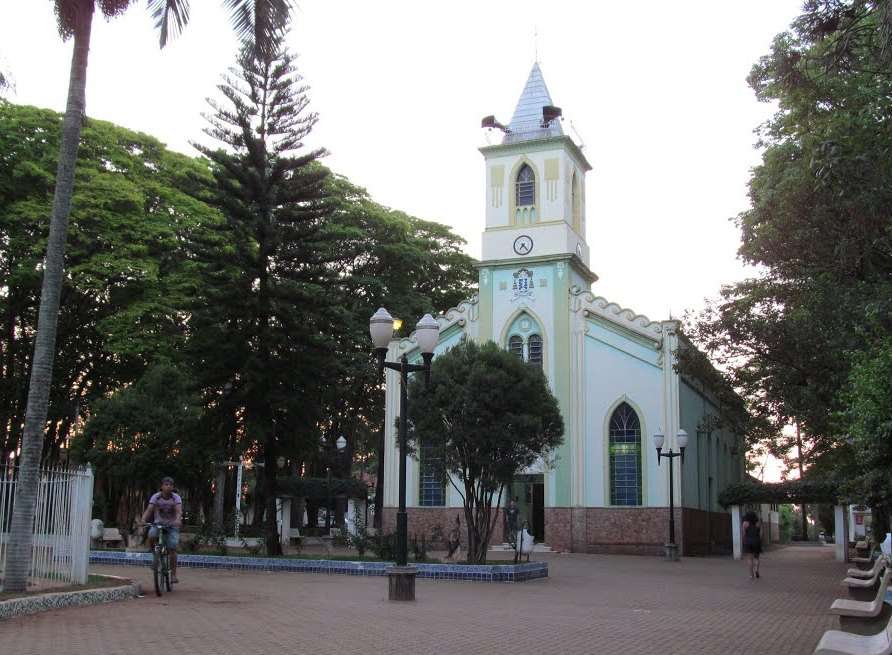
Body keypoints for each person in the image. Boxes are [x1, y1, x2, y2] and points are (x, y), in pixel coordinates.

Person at [140, 476, 183, 583]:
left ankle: (173, 575)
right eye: (166, 485)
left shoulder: (175, 497)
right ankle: (155, 557)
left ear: (173, 487)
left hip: (172, 525)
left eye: (170, 485)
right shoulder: (156, 497)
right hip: (158, 524)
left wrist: (178, 520)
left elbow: (178, 511)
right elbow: (149, 510)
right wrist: (143, 520)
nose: (168, 487)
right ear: (161, 486)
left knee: (172, 548)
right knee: (151, 535)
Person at [742, 511, 762, 579]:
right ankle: (756, 570)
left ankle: (751, 575)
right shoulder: (758, 523)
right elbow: (761, 534)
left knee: (750, 559)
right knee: (757, 558)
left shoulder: (745, 523)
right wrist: (759, 540)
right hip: (756, 541)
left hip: (748, 542)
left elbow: (744, 534)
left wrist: (745, 541)